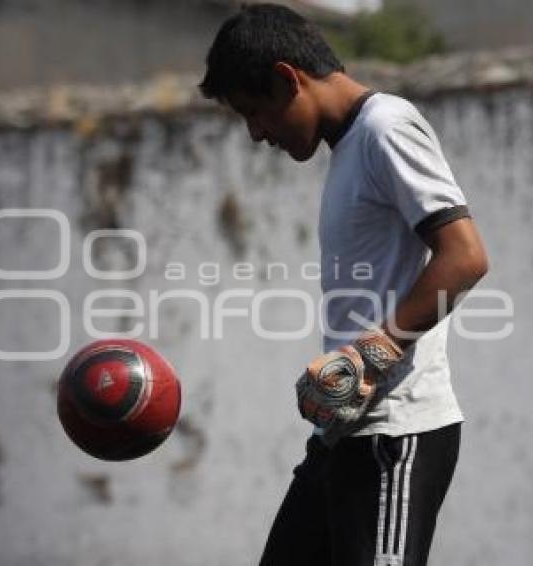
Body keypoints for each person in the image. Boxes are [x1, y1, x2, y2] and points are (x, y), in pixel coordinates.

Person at [199, 4, 489, 565]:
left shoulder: (386, 127)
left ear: (289, 77)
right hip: (343, 438)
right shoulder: (351, 148)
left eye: (255, 112)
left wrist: (371, 353)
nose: (257, 134)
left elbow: (466, 256)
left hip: (396, 437)